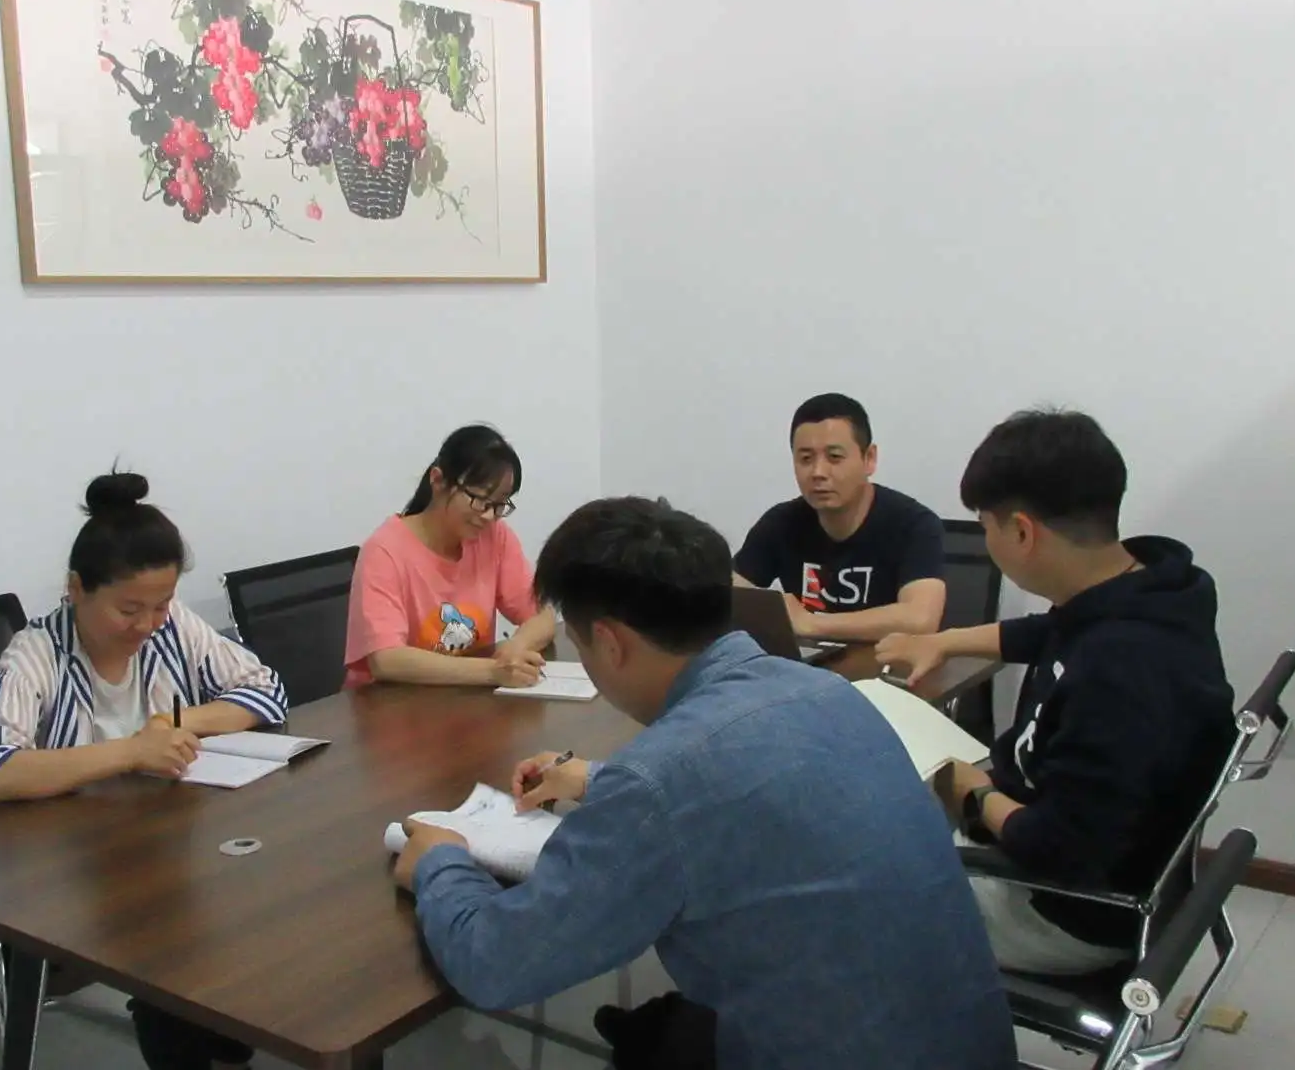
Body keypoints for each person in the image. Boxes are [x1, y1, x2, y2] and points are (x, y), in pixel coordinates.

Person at [391, 497, 1016, 1070]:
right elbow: (739, 788)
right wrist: (598, 780)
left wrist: (441, 862)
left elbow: (496, 965)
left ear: (608, 642)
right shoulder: (826, 690)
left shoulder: (658, 782)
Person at [877, 410, 1236, 975]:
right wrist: (942, 642)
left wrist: (972, 793)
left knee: (843, 883)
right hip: (1082, 850)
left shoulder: (1120, 670)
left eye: (987, 526)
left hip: (1064, 910)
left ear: (1022, 532)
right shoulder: (1147, 592)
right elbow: (1045, 633)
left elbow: (1060, 849)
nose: (987, 539)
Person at [0, 471, 287, 1070]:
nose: (148, 624)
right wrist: (133, 751)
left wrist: (180, 721)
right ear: (76, 589)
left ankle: (212, 1017)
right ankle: (186, 1024)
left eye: (161, 605)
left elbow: (265, 691)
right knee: (170, 941)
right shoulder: (38, 654)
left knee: (259, 893)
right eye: (128, 609)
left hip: (161, 847)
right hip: (66, 870)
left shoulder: (172, 626)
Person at [344, 424, 557, 687]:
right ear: (438, 481)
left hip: (462, 698)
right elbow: (386, 659)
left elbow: (543, 615)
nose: (489, 515)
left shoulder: (494, 537)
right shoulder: (384, 551)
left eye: (499, 504)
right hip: (389, 702)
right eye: (479, 499)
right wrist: (493, 671)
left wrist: (517, 647)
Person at [734, 393, 948, 642]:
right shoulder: (780, 523)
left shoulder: (913, 524)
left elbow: (920, 619)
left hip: (884, 664)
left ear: (869, 458)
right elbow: (726, 596)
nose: (818, 472)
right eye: (805, 459)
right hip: (807, 664)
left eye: (834, 457)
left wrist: (811, 623)